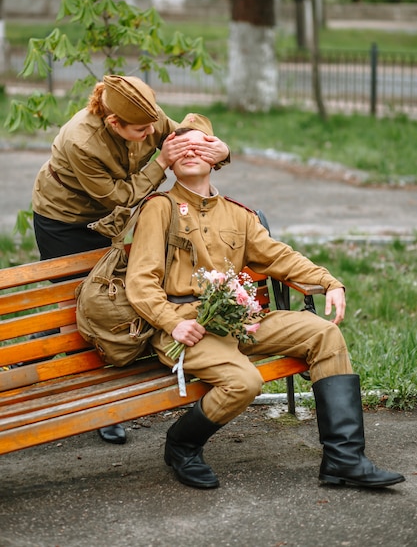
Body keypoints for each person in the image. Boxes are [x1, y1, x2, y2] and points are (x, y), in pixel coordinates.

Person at [125, 112, 405, 490]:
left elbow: (278, 257)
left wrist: (328, 281)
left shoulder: (239, 215)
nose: (190, 151)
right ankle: (182, 445)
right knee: (244, 381)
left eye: (200, 144)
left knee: (324, 335)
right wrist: (172, 322)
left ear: (216, 157)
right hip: (185, 329)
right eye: (181, 146)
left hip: (239, 320)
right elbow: (141, 282)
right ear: (170, 158)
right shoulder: (160, 208)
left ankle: (344, 460)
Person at [30, 77, 230, 445]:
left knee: (113, 300)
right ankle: (83, 397)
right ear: (113, 124)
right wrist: (163, 163)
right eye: (142, 130)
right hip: (67, 220)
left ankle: (98, 386)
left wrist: (219, 148)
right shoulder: (81, 141)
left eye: (153, 123)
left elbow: (186, 131)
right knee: (83, 305)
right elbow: (119, 198)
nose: (153, 132)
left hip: (113, 220)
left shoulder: (143, 116)